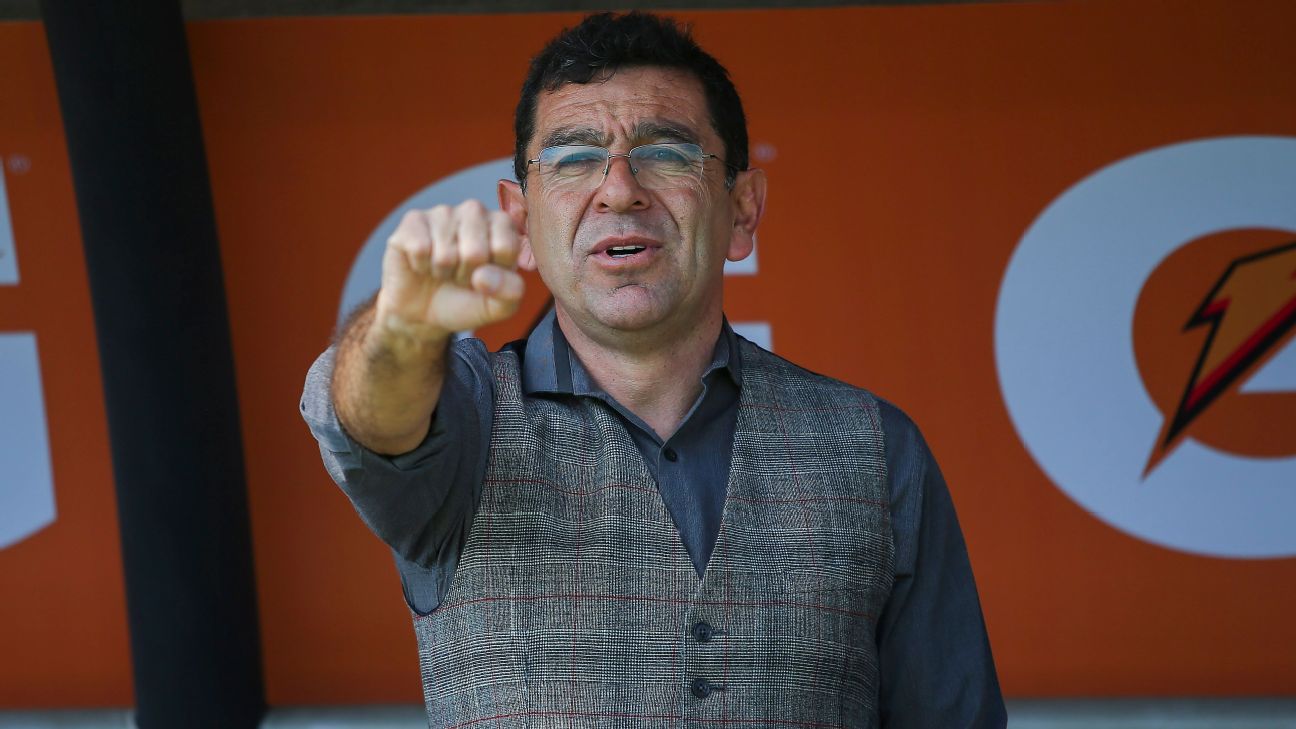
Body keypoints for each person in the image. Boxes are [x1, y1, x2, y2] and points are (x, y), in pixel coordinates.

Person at [302, 11, 1005, 728]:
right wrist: (401, 331)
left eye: (667, 152)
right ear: (520, 220)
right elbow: (368, 421)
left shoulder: (876, 447)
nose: (619, 190)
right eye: (573, 159)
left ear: (742, 210)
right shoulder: (471, 419)